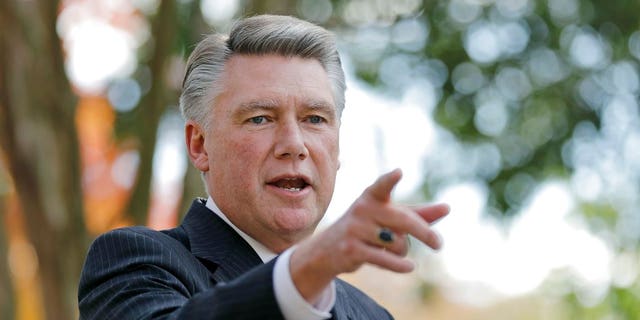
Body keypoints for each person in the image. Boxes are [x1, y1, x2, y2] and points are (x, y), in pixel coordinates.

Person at [78, 14, 449, 319]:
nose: (294, 145)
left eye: (315, 119)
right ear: (200, 144)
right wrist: (310, 267)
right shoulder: (137, 262)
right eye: (260, 118)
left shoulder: (371, 314)